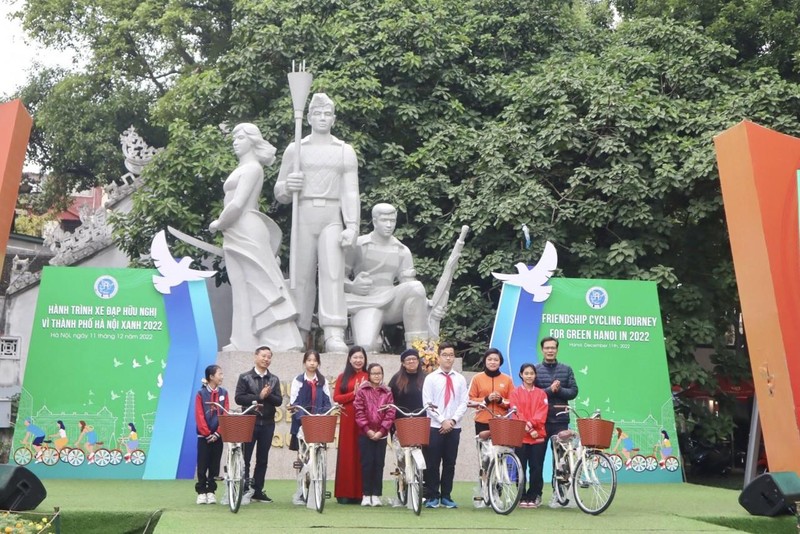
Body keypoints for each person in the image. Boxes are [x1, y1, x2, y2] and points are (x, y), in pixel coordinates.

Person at [275, 93, 360, 352]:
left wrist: (353, 225)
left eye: (327, 114)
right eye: (318, 114)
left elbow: (350, 191)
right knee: (300, 276)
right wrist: (289, 186)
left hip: (331, 216)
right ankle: (298, 330)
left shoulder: (344, 150)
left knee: (333, 273)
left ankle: (334, 331)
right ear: (309, 117)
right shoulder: (296, 149)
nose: (322, 118)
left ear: (333, 119)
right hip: (303, 214)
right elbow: (279, 191)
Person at [210, 122, 302, 352]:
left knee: (260, 283)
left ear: (252, 140)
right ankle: (242, 340)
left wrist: (219, 222)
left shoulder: (253, 169)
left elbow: (238, 204)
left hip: (246, 228)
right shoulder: (243, 168)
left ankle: (280, 339)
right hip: (234, 231)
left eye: (239, 138)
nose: (235, 142)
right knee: (241, 287)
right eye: (234, 138)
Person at [345, 203, 428, 350]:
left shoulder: (402, 250)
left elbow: (410, 286)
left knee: (416, 287)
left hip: (391, 302)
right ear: (375, 221)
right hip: (364, 301)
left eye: (393, 220)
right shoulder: (358, 245)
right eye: (384, 220)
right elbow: (336, 278)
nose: (389, 225)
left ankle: (417, 350)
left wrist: (428, 304)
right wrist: (352, 286)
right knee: (366, 347)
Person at [533, 336, 578, 508]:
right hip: (540, 421)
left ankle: (559, 495)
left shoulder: (566, 369)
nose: (550, 350)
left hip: (560, 421)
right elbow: (534, 394)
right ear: (542, 350)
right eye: (547, 348)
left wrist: (560, 390)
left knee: (560, 461)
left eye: (553, 348)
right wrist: (550, 390)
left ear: (557, 349)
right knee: (537, 461)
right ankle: (536, 494)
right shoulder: (536, 370)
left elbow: (574, 391)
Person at [421, 342, 468, 509]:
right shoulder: (431, 378)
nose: (448, 358)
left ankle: (446, 495)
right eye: (445, 355)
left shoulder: (460, 379)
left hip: (454, 427)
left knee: (450, 462)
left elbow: (464, 402)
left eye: (451, 355)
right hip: (435, 426)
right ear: (439, 357)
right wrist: (442, 420)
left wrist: (453, 421)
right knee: (432, 462)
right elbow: (428, 403)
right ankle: (433, 496)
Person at [235, 346, 282, 503]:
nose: (266, 359)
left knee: (262, 459)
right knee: (245, 458)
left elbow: (279, 400)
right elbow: (239, 398)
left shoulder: (274, 379)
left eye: (269, 357)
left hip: (268, 423)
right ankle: (245, 488)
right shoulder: (245, 377)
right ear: (255, 356)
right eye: (263, 356)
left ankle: (257, 490)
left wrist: (267, 396)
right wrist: (258, 396)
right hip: (249, 422)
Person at [288, 350, 332, 505]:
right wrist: (302, 417)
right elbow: (294, 402)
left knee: (319, 452)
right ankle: (300, 491)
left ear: (318, 363)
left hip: (319, 423)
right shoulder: (298, 380)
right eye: (309, 360)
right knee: (301, 456)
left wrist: (323, 414)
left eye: (315, 360)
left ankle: (318, 487)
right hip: (301, 422)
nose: (312, 363)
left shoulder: (323, 381)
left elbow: (328, 402)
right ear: (304, 362)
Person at [354, 363, 396, 506]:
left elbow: (390, 413)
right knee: (366, 464)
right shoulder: (362, 391)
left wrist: (382, 431)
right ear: (369, 375)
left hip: (381, 435)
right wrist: (368, 430)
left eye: (379, 373)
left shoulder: (387, 392)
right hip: (365, 434)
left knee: (379, 464)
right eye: (374, 373)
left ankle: (376, 494)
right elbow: (358, 411)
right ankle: (366, 494)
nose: (377, 376)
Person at [333, 345, 369, 504]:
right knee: (347, 454)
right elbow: (336, 398)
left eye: (361, 357)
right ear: (349, 359)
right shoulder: (343, 377)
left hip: (365, 418)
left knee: (362, 454)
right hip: (348, 419)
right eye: (355, 357)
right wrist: (354, 394)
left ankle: (361, 493)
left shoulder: (369, 376)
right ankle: (344, 493)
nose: (358, 360)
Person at [509, 363, 549, 508]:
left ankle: (534, 495)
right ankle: (521, 496)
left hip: (537, 436)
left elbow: (542, 413)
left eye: (531, 373)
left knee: (536, 467)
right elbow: (515, 412)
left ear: (535, 375)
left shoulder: (541, 393)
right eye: (526, 373)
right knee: (520, 467)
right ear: (521, 375)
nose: (529, 376)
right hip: (521, 436)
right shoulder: (514, 393)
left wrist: (531, 425)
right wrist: (526, 427)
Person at [194, 365, 228, 504]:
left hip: (218, 436)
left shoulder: (224, 393)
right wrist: (207, 433)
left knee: (214, 465)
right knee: (202, 465)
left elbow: (225, 412)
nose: (222, 376)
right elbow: (199, 415)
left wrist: (218, 433)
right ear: (211, 377)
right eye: (220, 374)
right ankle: (201, 491)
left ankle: (211, 491)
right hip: (204, 437)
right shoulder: (201, 394)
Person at [468, 348, 514, 435]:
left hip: (501, 421)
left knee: (500, 448)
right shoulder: (477, 378)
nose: (492, 362)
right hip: (481, 421)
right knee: (483, 448)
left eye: (496, 360)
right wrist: (486, 399)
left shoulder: (507, 379)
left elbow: (513, 401)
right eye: (489, 359)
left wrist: (500, 400)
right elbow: (469, 400)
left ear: (500, 362)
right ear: (485, 361)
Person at [388, 348, 426, 418]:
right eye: (408, 359)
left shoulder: (426, 378)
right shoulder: (396, 378)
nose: (411, 361)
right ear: (403, 363)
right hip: (401, 419)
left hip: (422, 419)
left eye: (414, 359)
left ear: (418, 361)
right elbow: (389, 399)